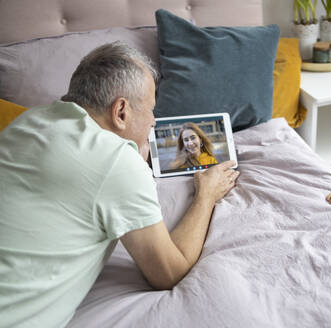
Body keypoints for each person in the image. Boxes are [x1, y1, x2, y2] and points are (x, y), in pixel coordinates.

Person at [0, 41, 239, 328]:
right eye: (151, 109)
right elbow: (169, 273)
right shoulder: (115, 160)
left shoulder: (27, 121)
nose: (153, 121)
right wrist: (206, 195)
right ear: (121, 111)